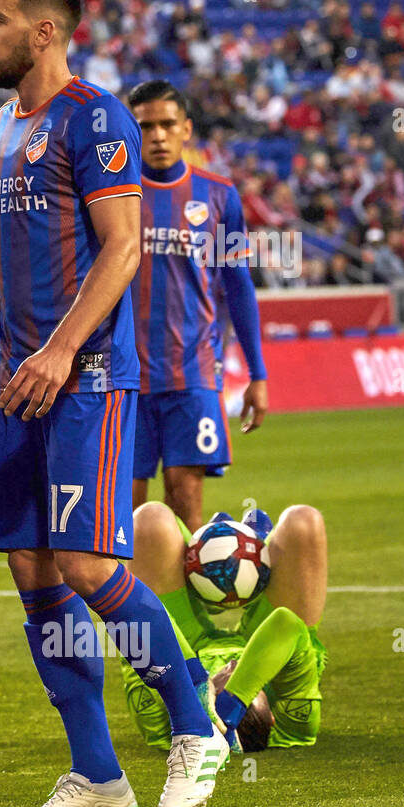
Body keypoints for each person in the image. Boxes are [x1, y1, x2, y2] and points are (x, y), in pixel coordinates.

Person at [0, 0, 227, 807]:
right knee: (33, 570)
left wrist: (56, 352)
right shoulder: (3, 125)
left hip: (84, 380)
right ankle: (97, 775)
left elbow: (122, 248)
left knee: (86, 563)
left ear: (44, 30)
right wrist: (6, 373)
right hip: (23, 385)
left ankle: (196, 729)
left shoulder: (97, 115)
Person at [127, 80, 269, 531]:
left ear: (186, 129)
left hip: (192, 372)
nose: (158, 136)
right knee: (124, 517)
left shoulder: (219, 196)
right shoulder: (111, 195)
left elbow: (238, 286)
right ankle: (132, 605)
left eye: (168, 125)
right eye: (145, 126)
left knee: (184, 504)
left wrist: (258, 374)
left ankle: (180, 604)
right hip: (123, 376)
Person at [124, 504, 327, 753]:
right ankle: (247, 549)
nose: (232, 667)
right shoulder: (294, 722)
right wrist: (234, 698)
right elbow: (285, 623)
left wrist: (195, 684)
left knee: (150, 519)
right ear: (273, 718)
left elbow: (144, 617)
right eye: (251, 685)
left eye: (220, 687)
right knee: (303, 521)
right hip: (272, 641)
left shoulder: (163, 724)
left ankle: (219, 549)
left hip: (190, 646)